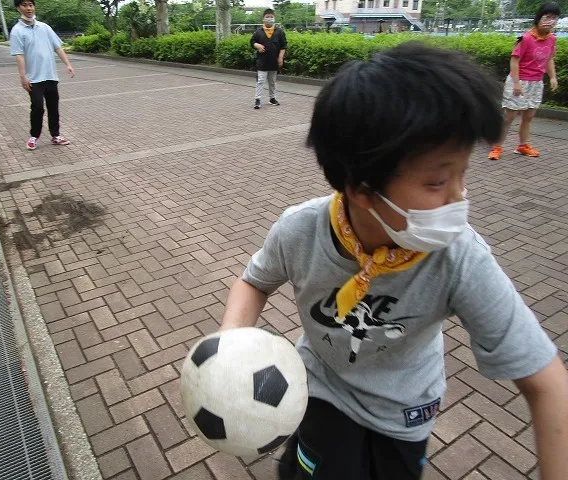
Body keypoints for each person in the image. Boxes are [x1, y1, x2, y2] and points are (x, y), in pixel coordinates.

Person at [220, 42, 568, 480]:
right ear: (361, 188)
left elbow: (548, 382)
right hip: (322, 387)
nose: (460, 196)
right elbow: (255, 282)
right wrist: (228, 347)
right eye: (438, 180)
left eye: (464, 173)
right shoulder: (300, 230)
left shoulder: (457, 256)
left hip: (404, 413)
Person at [488, 2, 560, 160]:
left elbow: (549, 59)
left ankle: (522, 146)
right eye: (547, 17)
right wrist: (516, 82)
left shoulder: (552, 40)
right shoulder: (525, 38)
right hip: (520, 81)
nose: (550, 21)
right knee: (510, 116)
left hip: (536, 83)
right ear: (539, 18)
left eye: (554, 18)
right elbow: (514, 60)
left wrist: (553, 76)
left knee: (528, 117)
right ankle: (497, 146)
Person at [10, 0, 75, 151]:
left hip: (50, 76)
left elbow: (57, 47)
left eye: (31, 5)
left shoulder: (44, 27)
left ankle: (55, 135)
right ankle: (34, 136)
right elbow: (19, 55)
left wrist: (68, 64)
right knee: (38, 107)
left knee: (53, 107)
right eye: (25, 5)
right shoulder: (17, 31)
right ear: (18, 8)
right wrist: (22, 77)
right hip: (33, 78)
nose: (29, 8)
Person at [250, 9, 287, 110]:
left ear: (274, 18)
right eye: (267, 16)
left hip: (274, 62)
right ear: (263, 18)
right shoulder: (258, 32)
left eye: (271, 17)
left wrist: (280, 58)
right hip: (262, 62)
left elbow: (284, 46)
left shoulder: (279, 32)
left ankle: (272, 98)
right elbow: (252, 42)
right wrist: (257, 45)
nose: (269, 19)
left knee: (272, 81)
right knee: (260, 81)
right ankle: (257, 100)